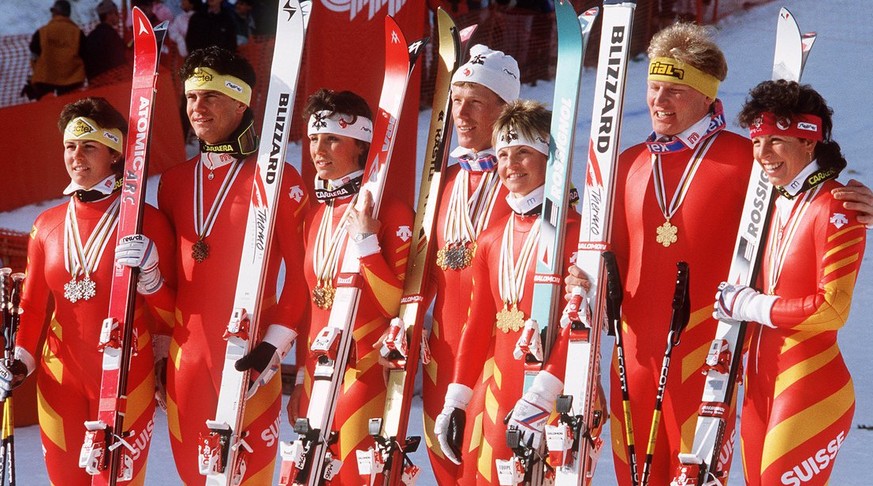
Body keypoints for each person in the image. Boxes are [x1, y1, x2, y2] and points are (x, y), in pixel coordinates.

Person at [521, 22, 873, 486]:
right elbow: (608, 258)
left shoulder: (746, 156)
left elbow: (805, 191)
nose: (659, 100)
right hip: (635, 355)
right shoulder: (625, 163)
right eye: (653, 87)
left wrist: (859, 198)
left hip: (707, 356)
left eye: (675, 90)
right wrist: (582, 280)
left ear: (707, 96)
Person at [0, 97, 175, 485]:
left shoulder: (149, 222)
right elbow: (31, 305)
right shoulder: (45, 224)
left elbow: (171, 315)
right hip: (59, 379)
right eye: (69, 146)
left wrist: (150, 277)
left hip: (128, 373)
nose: (76, 156)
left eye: (89, 146)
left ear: (115, 154)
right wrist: (21, 361)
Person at [156, 46, 310, 483]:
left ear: (241, 101)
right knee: (194, 477)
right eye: (190, 97)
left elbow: (301, 275)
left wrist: (273, 345)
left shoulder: (279, 177)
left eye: (210, 96)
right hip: (187, 363)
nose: (197, 108)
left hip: (250, 360)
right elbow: (170, 279)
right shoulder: (172, 183)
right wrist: (160, 347)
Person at [716, 79, 866, 486]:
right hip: (760, 380)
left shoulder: (836, 203)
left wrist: (751, 306)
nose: (763, 154)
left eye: (777, 140)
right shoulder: (770, 201)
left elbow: (832, 309)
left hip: (810, 384)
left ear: (809, 143)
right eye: (757, 141)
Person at [434, 100, 580, 485]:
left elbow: (581, 326)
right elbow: (477, 325)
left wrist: (542, 396)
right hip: (497, 393)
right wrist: (457, 398)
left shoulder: (576, 232)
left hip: (555, 394)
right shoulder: (492, 237)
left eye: (524, 153)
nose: (511, 164)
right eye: (503, 154)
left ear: (551, 159)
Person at [284, 88, 413, 484]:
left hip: (365, 373)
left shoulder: (389, 210)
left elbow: (398, 304)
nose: (318, 150)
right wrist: (302, 381)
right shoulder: (315, 215)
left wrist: (367, 245)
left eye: (332, 139)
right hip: (318, 372)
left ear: (360, 144)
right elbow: (312, 307)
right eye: (314, 139)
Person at [421, 44, 520, 484]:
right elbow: (422, 270)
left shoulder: (526, 180)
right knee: (446, 471)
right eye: (456, 100)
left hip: (496, 355)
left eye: (475, 102)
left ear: (505, 109)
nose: (461, 113)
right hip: (442, 356)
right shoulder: (442, 180)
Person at [27, 0, 86, 100]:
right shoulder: (77, 33)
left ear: (55, 12)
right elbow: (85, 56)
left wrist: (36, 72)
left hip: (44, 82)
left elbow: (34, 55)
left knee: (46, 113)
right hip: (72, 82)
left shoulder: (42, 32)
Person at [83, 0, 127, 80]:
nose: (118, 16)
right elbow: (120, 62)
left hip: (94, 83)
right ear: (109, 15)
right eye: (116, 13)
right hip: (112, 82)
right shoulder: (112, 36)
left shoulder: (91, 36)